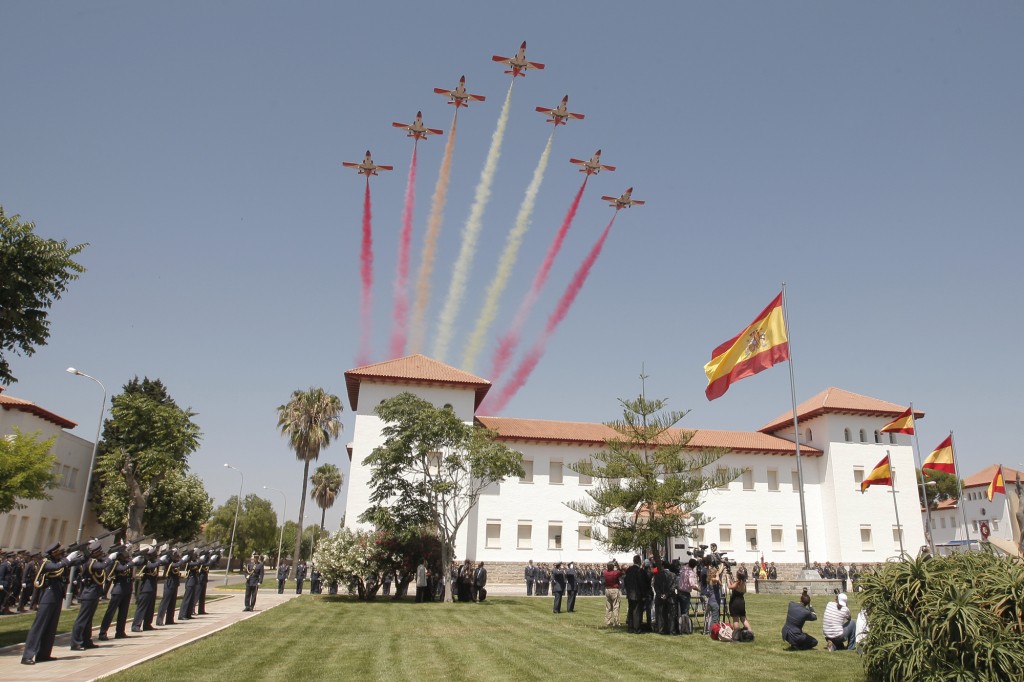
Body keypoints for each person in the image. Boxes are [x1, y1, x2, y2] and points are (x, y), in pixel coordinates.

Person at [21, 542, 86, 665]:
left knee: (51, 627)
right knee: (39, 626)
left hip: (56, 596)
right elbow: (56, 567)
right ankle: (27, 655)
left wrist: (86, 550)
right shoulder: (45, 562)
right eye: (58, 551)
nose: (61, 552)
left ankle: (44, 654)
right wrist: (68, 558)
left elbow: (80, 561)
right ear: (53, 552)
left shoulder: (60, 561)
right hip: (47, 596)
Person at [70, 539, 114, 651]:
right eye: (99, 551)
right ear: (94, 552)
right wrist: (110, 558)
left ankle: (86, 640)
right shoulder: (91, 562)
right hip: (88, 594)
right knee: (82, 619)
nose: (101, 553)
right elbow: (101, 566)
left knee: (88, 619)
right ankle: (76, 643)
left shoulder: (93, 560)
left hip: (93, 593)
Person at [98, 545, 134, 641]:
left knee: (123, 612)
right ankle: (102, 632)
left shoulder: (126, 562)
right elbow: (121, 569)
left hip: (127, 589)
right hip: (118, 589)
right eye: (124, 551)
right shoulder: (116, 563)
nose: (126, 553)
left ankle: (120, 632)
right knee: (110, 612)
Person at [130, 545, 160, 632]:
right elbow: (150, 566)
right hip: (146, 587)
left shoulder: (153, 561)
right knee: (142, 607)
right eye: (154, 553)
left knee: (151, 607)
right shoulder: (144, 561)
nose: (156, 554)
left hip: (152, 586)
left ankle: (147, 624)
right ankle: (136, 625)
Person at [155, 547, 182, 626]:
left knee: (172, 602)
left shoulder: (174, 561)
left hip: (174, 583)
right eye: (175, 554)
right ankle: (159, 620)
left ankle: (170, 619)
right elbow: (175, 564)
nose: (176, 556)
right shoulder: (168, 561)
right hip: (169, 583)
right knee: (165, 602)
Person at [728, 566, 752, 634]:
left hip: (735, 601)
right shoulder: (743, 583)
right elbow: (734, 586)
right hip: (741, 601)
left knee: (735, 619)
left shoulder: (738, 583)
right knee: (743, 619)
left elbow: (730, 587)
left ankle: (737, 634)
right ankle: (750, 633)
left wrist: (727, 579)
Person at [623, 554, 644, 633]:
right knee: (637, 611)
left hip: (630, 592)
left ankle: (630, 627)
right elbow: (641, 583)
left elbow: (625, 581)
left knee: (631, 610)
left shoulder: (629, 570)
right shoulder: (640, 571)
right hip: (637, 593)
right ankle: (636, 628)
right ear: (639, 561)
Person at [602, 560, 622, 627]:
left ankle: (607, 621)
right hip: (614, 589)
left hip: (607, 589)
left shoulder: (605, 572)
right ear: (613, 567)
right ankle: (616, 622)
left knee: (608, 607)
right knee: (616, 606)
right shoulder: (615, 573)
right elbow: (621, 572)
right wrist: (617, 564)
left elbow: (605, 570)